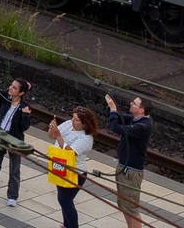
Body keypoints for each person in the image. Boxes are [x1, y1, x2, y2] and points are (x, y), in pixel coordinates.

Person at [0, 61, 33, 206]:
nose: (10, 88)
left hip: (14, 140)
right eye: (11, 85)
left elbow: (24, 127)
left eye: (14, 88)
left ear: (21, 93)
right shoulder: (5, 97)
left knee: (14, 169)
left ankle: (12, 196)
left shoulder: (25, 107)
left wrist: (26, 116)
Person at [105, 93, 153, 228]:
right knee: (124, 205)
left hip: (131, 172)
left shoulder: (143, 126)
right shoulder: (136, 119)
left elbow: (116, 128)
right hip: (124, 168)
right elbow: (120, 118)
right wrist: (110, 107)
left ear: (141, 110)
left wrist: (114, 110)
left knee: (131, 208)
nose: (131, 103)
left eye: (134, 103)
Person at [48, 107, 98, 228]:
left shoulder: (86, 138)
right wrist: (52, 129)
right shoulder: (67, 124)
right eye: (73, 118)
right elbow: (51, 136)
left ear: (85, 125)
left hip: (75, 172)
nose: (72, 121)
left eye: (76, 120)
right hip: (60, 166)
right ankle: (66, 225)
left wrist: (59, 136)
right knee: (62, 200)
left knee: (65, 201)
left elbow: (70, 153)